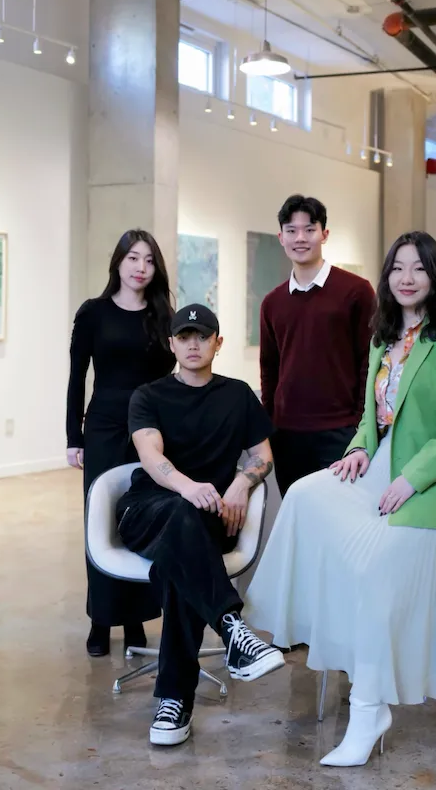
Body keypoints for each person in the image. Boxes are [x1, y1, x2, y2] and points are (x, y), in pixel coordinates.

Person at [246, 231, 436, 767]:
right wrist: (360, 449)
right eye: (398, 269)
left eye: (418, 269)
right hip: (381, 465)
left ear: (435, 277)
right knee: (303, 495)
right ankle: (270, 628)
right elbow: (372, 415)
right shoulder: (382, 337)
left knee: (371, 572)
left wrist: (411, 480)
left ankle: (368, 708)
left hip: (435, 480)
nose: (406, 278)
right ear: (387, 278)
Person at [116, 304, 286, 747]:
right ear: (171, 344)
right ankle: (232, 628)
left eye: (203, 335)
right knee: (180, 518)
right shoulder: (148, 396)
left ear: (218, 342)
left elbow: (262, 456)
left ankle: (174, 702)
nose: (193, 344)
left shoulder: (237, 394)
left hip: (204, 521)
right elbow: (151, 458)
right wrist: (189, 487)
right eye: (184, 336)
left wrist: (241, 485)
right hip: (147, 511)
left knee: (181, 561)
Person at [66, 229, 176, 657]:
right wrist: (73, 437)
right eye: (133, 258)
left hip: (149, 426)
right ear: (118, 262)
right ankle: (100, 619)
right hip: (105, 424)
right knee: (100, 518)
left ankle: (134, 620)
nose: (141, 268)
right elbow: (77, 378)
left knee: (141, 516)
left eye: (149, 260)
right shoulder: (93, 313)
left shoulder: (163, 314)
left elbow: (178, 375)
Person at [260, 194, 376, 498]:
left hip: (340, 431)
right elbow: (269, 368)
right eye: (292, 230)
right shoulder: (272, 302)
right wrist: (270, 424)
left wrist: (359, 424)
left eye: (309, 229)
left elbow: (369, 360)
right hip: (286, 433)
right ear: (280, 237)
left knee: (340, 519)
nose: (300, 238)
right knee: (297, 515)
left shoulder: (356, 292)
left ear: (324, 234)